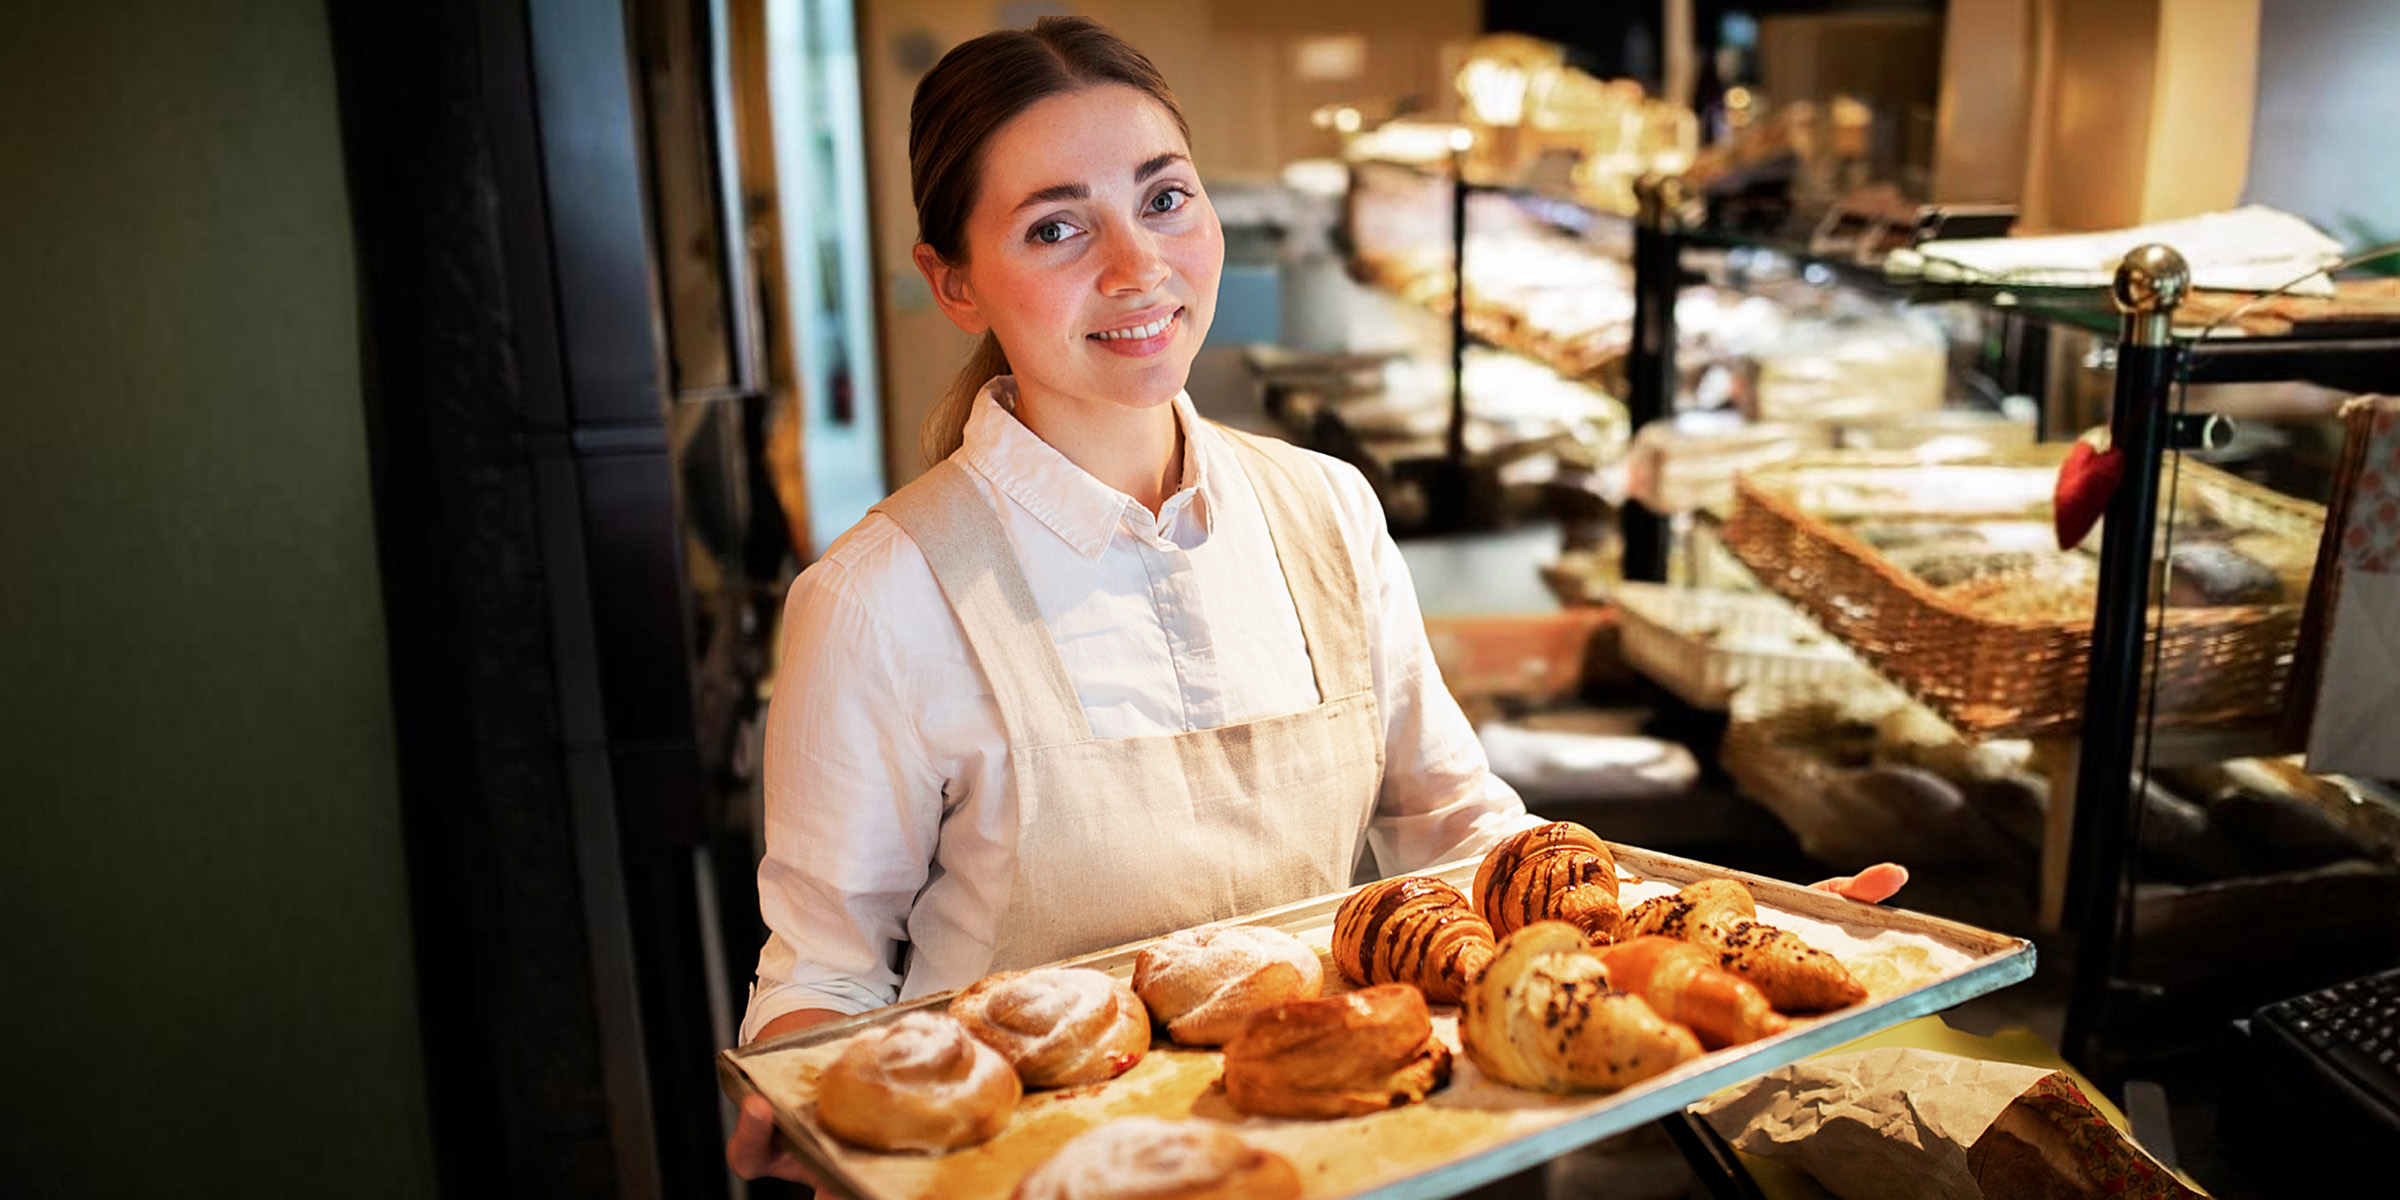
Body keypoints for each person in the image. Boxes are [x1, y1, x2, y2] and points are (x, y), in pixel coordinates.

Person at [725, 17, 1904, 1183]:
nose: (1138, 267)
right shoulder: (880, 597)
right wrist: (804, 1107)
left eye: (1166, 199)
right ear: (955, 283)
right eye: (1054, 227)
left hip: (1353, 1152)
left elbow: (1456, 827)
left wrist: (1730, 935)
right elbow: (825, 979)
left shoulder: (1327, 509)